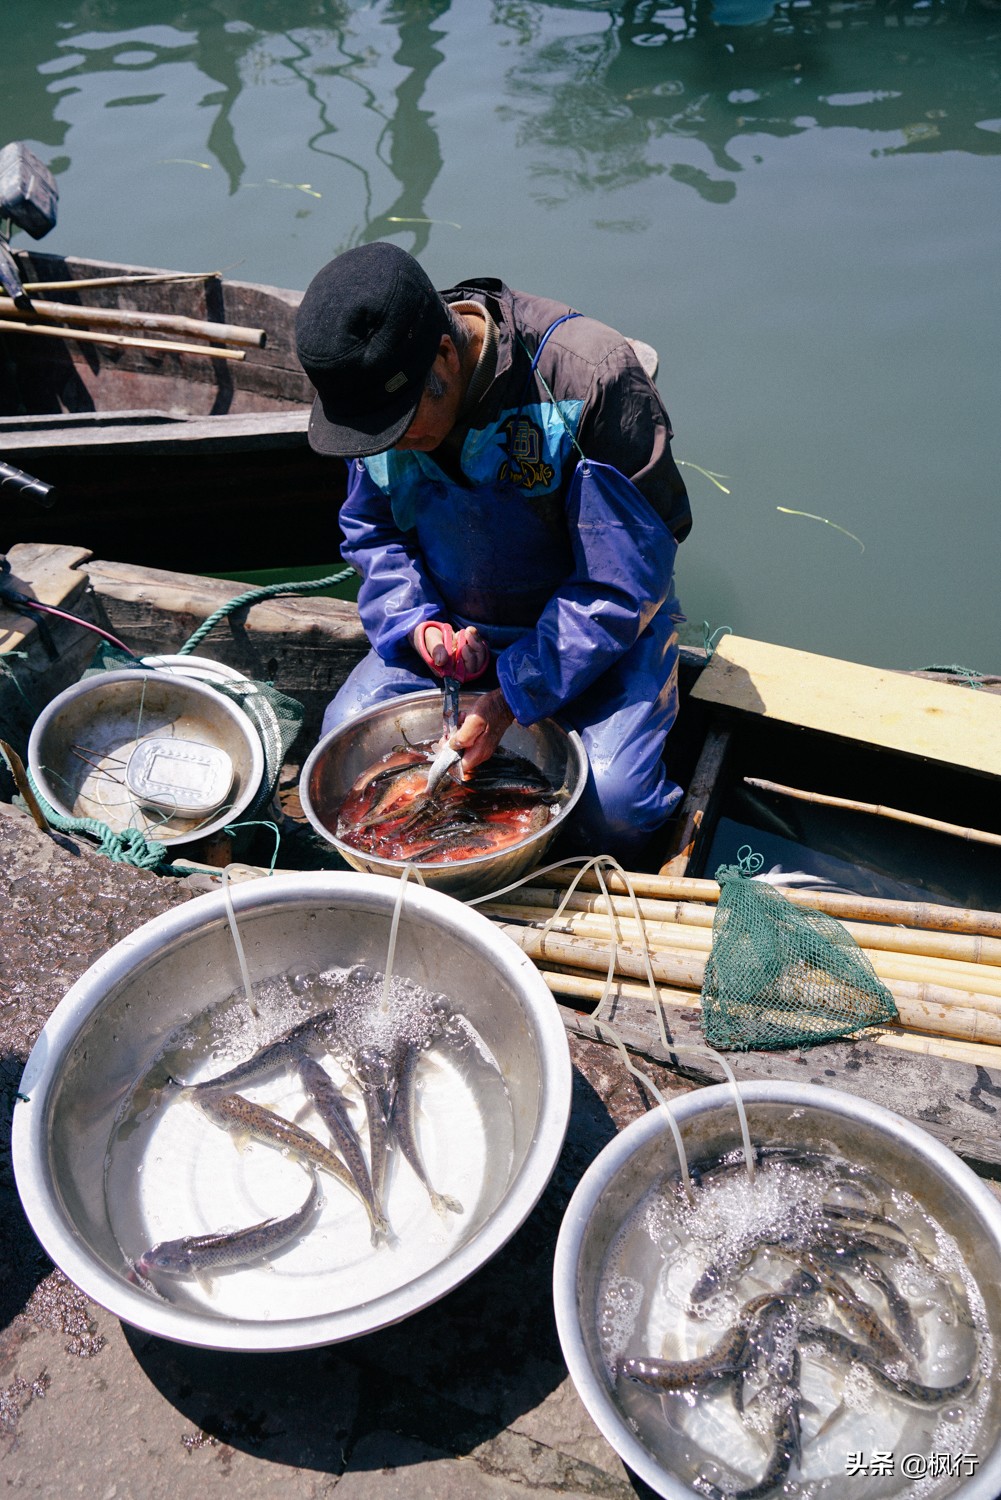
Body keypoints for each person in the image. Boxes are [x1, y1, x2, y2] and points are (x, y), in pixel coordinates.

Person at [295, 241, 691, 862]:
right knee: (345, 739)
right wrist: (417, 624)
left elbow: (624, 583)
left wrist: (512, 694)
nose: (395, 445)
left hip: (600, 636)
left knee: (615, 809)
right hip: (456, 634)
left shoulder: (586, 378)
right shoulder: (377, 397)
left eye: (402, 428)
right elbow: (373, 532)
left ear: (446, 355)